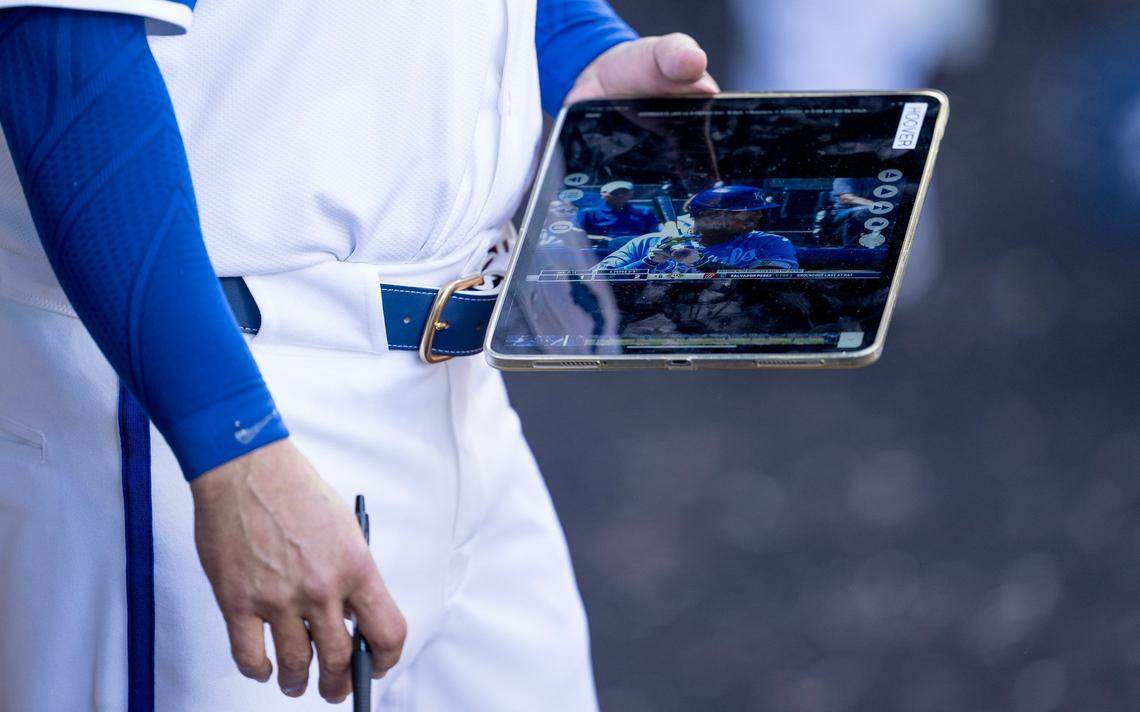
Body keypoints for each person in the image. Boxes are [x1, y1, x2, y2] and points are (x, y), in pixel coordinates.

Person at [0, 1, 719, 710]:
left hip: (463, 393)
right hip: (224, 393)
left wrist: (575, 52)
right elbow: (66, 39)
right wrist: (232, 448)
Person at [596, 185, 798, 272]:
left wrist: (703, 264)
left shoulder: (771, 243)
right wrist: (648, 262)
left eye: (759, 211)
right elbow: (595, 283)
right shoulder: (647, 243)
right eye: (746, 212)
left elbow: (769, 285)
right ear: (710, 215)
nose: (759, 216)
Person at [572, 180, 660, 249]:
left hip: (638, 250)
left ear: (631, 194)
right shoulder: (588, 213)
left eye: (624, 193)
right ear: (602, 195)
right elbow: (574, 233)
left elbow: (655, 232)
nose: (620, 196)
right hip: (602, 251)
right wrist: (600, 239)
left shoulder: (644, 211)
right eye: (614, 193)